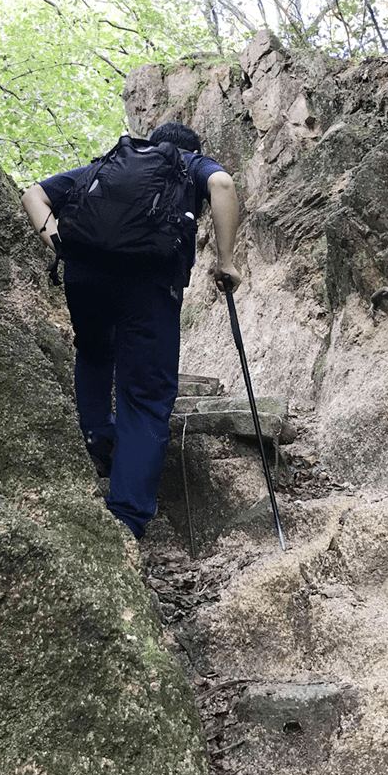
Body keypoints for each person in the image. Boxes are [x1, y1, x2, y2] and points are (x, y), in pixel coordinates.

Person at [21, 122, 242, 539]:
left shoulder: (103, 167)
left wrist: (59, 243)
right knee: (145, 396)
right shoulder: (188, 162)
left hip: (85, 276)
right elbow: (224, 185)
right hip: (149, 281)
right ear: (188, 150)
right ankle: (126, 518)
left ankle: (100, 442)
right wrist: (226, 261)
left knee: (93, 353)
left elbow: (33, 194)